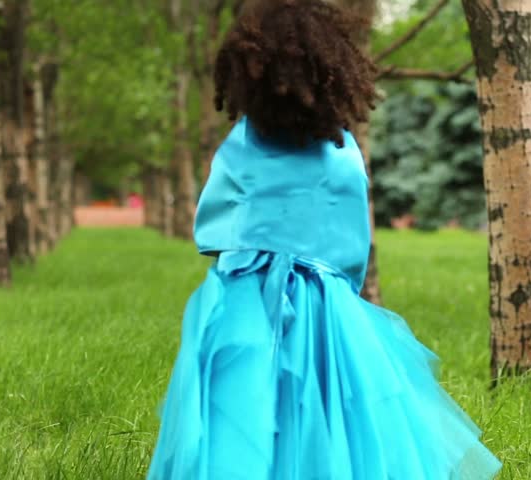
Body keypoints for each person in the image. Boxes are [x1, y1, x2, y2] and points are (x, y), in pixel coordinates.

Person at [146, 1, 502, 478]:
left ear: (248, 77)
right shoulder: (342, 154)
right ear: (333, 74)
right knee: (338, 413)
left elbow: (211, 235)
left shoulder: (240, 145)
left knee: (242, 406)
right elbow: (352, 246)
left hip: (246, 302)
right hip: (328, 307)